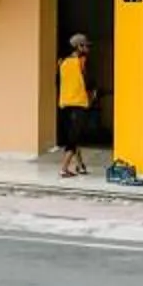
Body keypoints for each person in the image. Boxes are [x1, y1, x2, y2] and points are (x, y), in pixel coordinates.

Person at [56, 32, 95, 177]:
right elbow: (89, 82)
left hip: (64, 104)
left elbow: (58, 82)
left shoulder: (62, 62)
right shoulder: (82, 61)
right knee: (73, 139)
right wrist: (92, 95)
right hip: (79, 103)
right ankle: (64, 169)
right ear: (79, 46)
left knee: (74, 136)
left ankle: (80, 166)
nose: (88, 49)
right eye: (86, 46)